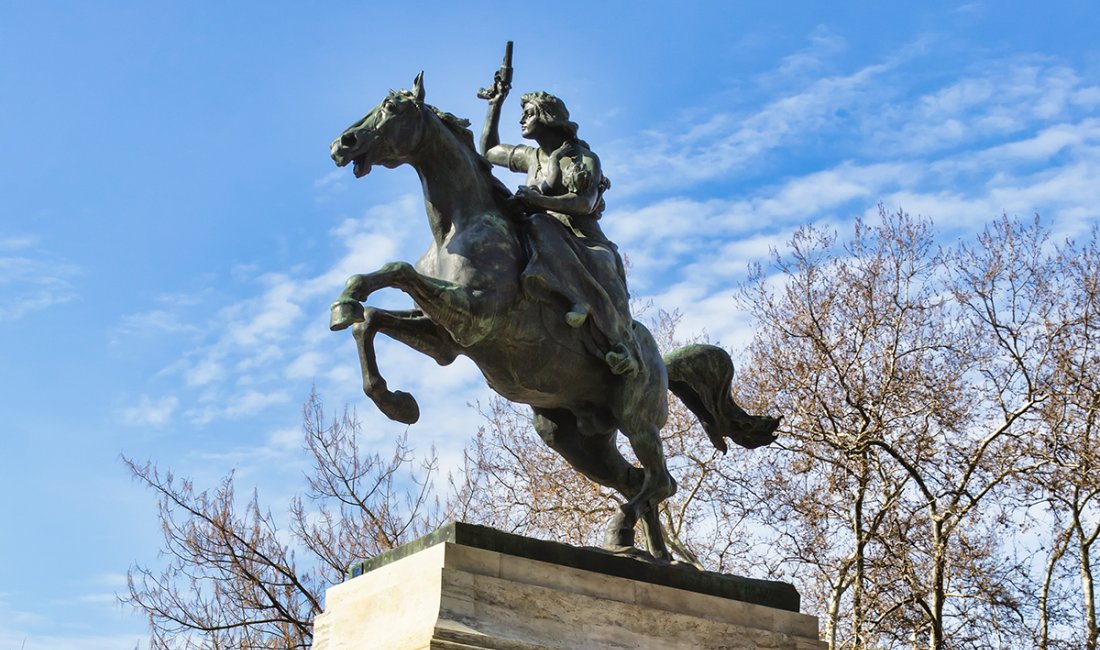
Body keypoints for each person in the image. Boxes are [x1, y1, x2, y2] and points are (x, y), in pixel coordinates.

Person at [480, 84, 639, 375]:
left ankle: (620, 345)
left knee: (553, 232)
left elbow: (585, 202)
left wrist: (538, 200)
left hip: (583, 241)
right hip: (539, 234)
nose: (522, 120)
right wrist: (495, 104)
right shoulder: (532, 157)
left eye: (528, 114)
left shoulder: (584, 158)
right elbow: (489, 151)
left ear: (547, 117)